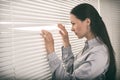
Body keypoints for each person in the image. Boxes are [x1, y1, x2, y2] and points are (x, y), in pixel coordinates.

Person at [41, 3, 116, 80]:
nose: (71, 29)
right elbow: (71, 69)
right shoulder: (89, 46)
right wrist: (66, 41)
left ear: (87, 22)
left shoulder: (99, 53)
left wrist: (51, 51)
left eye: (73, 24)